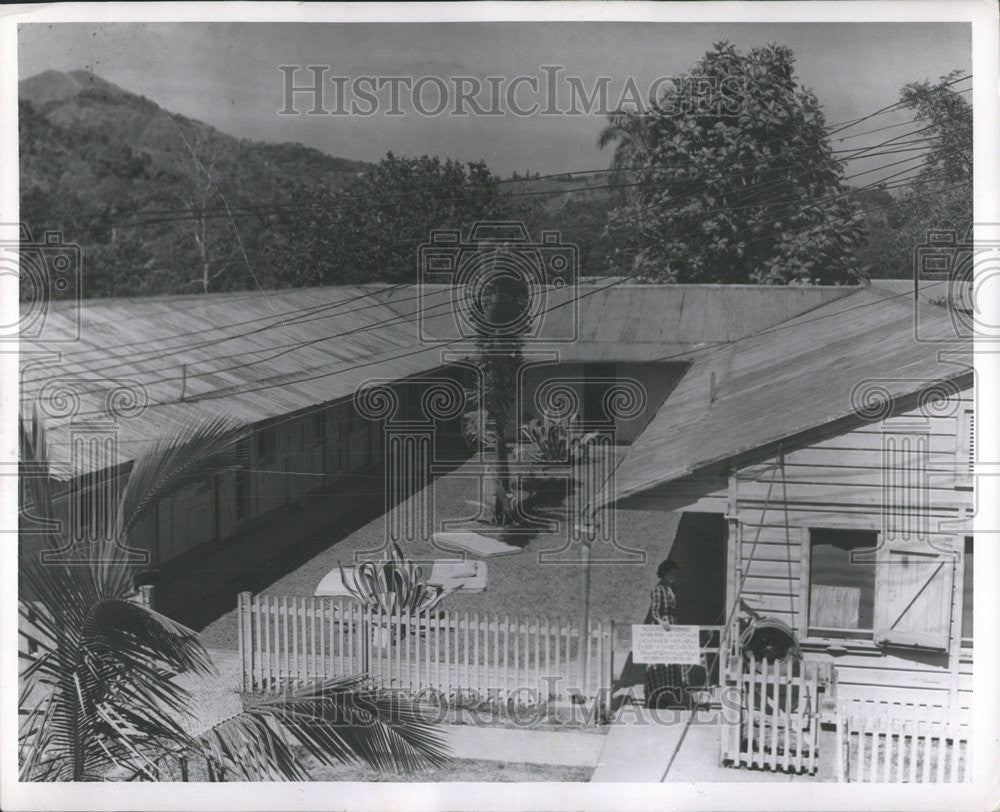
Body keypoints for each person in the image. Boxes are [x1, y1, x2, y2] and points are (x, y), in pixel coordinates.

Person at [644, 558, 686, 709]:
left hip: (672, 623)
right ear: (663, 574)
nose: (672, 576)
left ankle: (667, 694)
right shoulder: (658, 589)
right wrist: (663, 623)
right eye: (670, 573)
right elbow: (655, 611)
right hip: (661, 626)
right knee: (659, 661)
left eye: (674, 573)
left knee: (672, 660)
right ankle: (654, 697)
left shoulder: (672, 588)